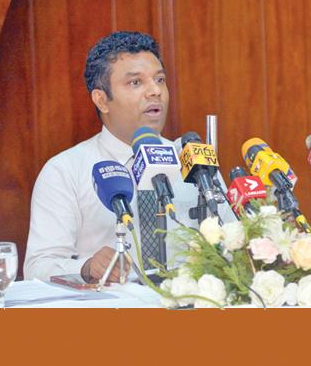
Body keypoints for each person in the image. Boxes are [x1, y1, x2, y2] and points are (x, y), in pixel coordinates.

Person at [24, 31, 232, 283]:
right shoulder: (65, 170)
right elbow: (37, 267)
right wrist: (86, 267)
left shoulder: (194, 161)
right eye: (136, 83)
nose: (155, 91)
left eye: (160, 80)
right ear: (101, 100)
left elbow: (233, 240)